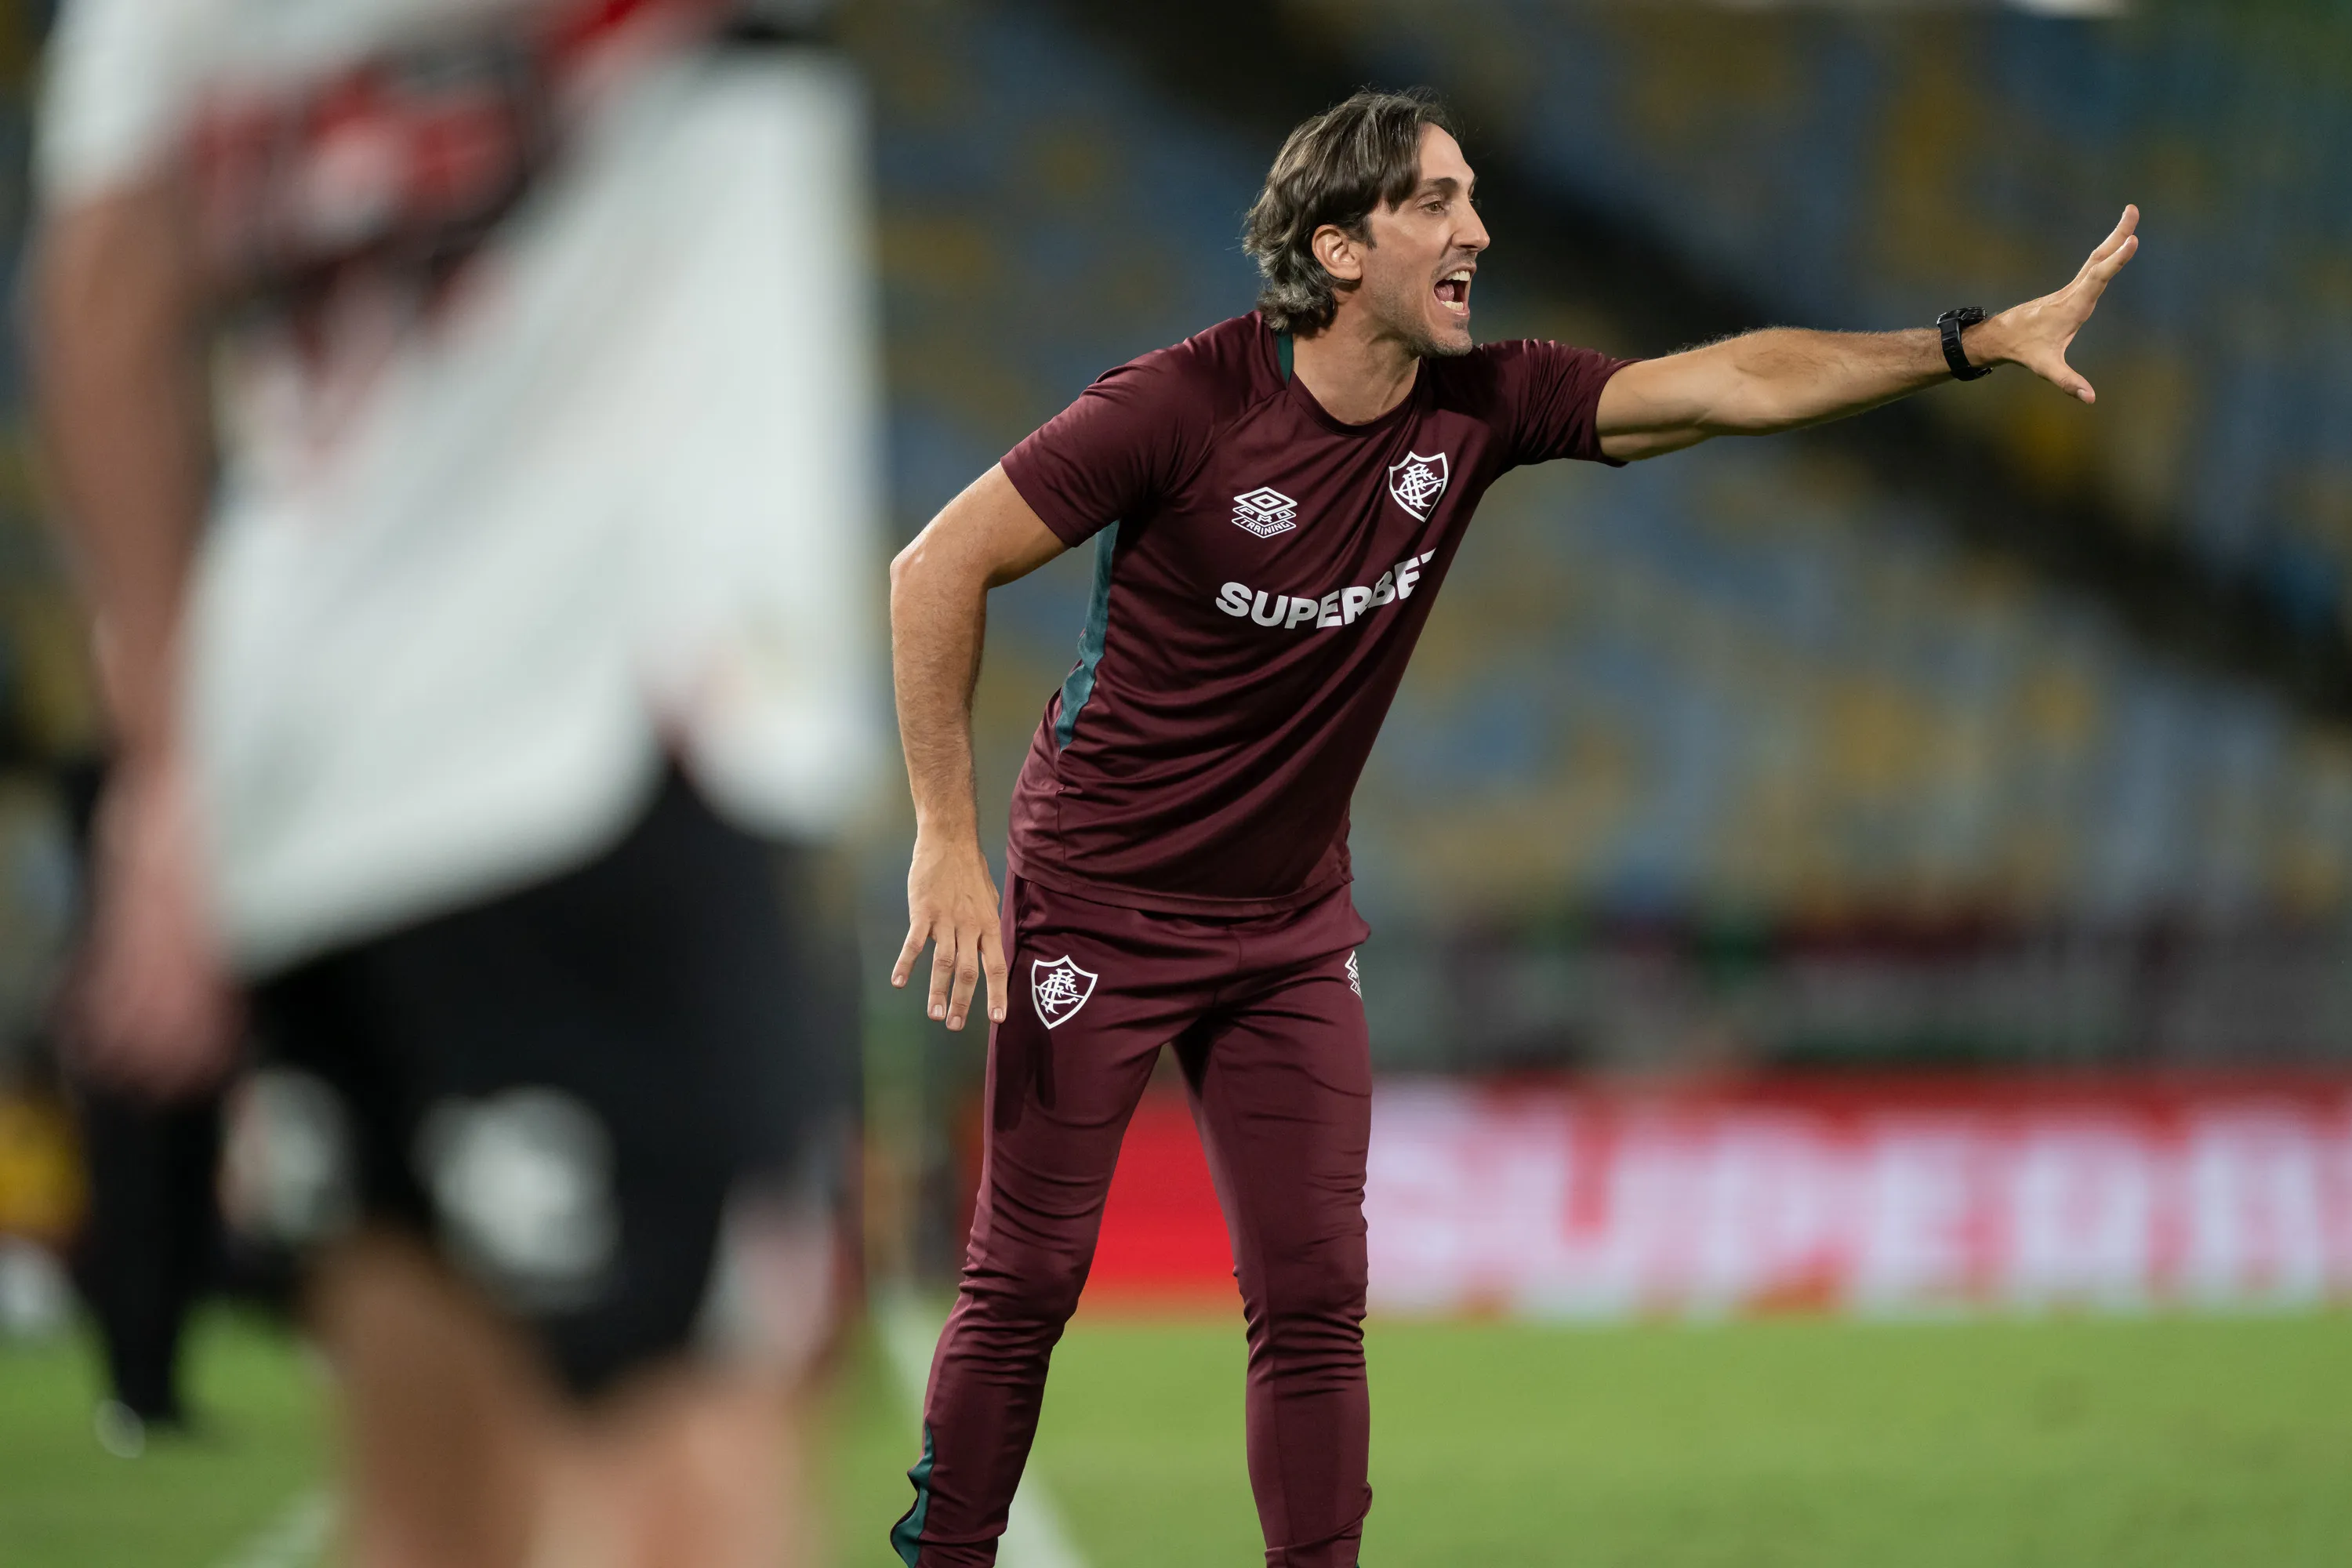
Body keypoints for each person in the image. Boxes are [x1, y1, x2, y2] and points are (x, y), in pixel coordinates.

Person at [885, 87, 2137, 1567]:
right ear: (1339, 249)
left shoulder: (1482, 404)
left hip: (1286, 925)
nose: (1477, 228)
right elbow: (934, 568)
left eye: (1472, 195)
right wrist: (947, 838)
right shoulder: (1178, 407)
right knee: (1027, 1277)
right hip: (1103, 898)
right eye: (1437, 202)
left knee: (1315, 1295)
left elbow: (1733, 382)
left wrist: (1966, 344)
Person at [34, 1, 880, 1563]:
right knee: (687, 1483)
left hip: (307, 770)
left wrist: (167, 769)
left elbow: (102, 287)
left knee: (430, 1497)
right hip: (585, 738)